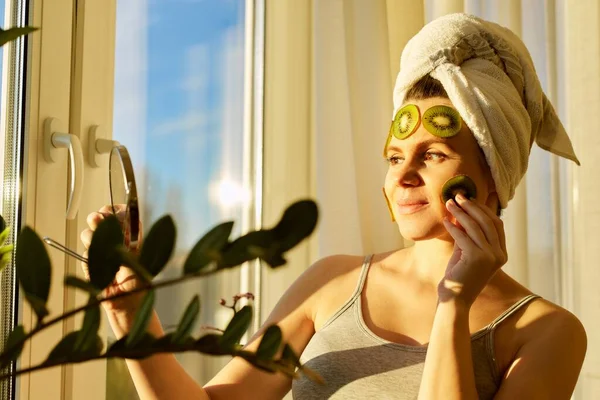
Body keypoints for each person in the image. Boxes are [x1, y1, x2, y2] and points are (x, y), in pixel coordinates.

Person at [81, 13, 586, 399]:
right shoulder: (331, 284)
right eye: (394, 156)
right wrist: (132, 317)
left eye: (432, 155)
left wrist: (453, 305)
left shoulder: (549, 333)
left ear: (493, 178)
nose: (403, 175)